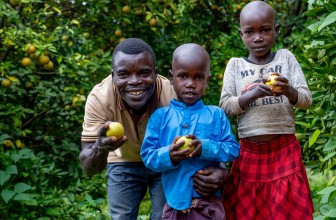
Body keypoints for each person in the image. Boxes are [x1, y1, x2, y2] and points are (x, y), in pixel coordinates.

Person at [79, 38, 229, 220]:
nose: (134, 81)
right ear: (113, 76)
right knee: (122, 217)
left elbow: (203, 137)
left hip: (167, 161)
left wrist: (221, 171)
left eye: (144, 73)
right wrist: (101, 147)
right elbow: (88, 167)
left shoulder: (173, 93)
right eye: (124, 74)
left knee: (163, 215)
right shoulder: (99, 98)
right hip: (123, 160)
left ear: (156, 73)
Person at [219, 1, 314, 220]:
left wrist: (288, 90)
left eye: (265, 30)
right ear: (241, 34)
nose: (258, 38)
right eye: (250, 32)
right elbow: (225, 105)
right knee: (250, 209)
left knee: (287, 209)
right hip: (249, 151)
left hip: (284, 148)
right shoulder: (235, 65)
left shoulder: (286, 58)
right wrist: (250, 94)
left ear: (276, 30)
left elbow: (306, 100)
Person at [140, 43, 240, 220]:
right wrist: (168, 155)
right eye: (183, 76)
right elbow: (148, 156)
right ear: (172, 77)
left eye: (199, 77)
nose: (190, 84)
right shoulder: (160, 117)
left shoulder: (216, 115)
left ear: (207, 80)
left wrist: (205, 148)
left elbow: (232, 149)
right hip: (174, 204)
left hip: (209, 206)